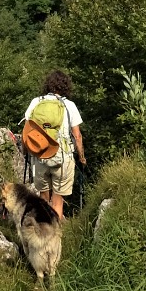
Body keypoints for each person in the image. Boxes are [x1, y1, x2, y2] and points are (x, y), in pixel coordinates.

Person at [19, 70, 85, 220]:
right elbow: (77, 136)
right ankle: (55, 238)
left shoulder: (36, 102)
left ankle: (42, 235)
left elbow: (26, 131)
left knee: (43, 199)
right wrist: (81, 157)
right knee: (58, 202)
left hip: (40, 156)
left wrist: (25, 153)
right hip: (63, 158)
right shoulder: (69, 105)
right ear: (65, 87)